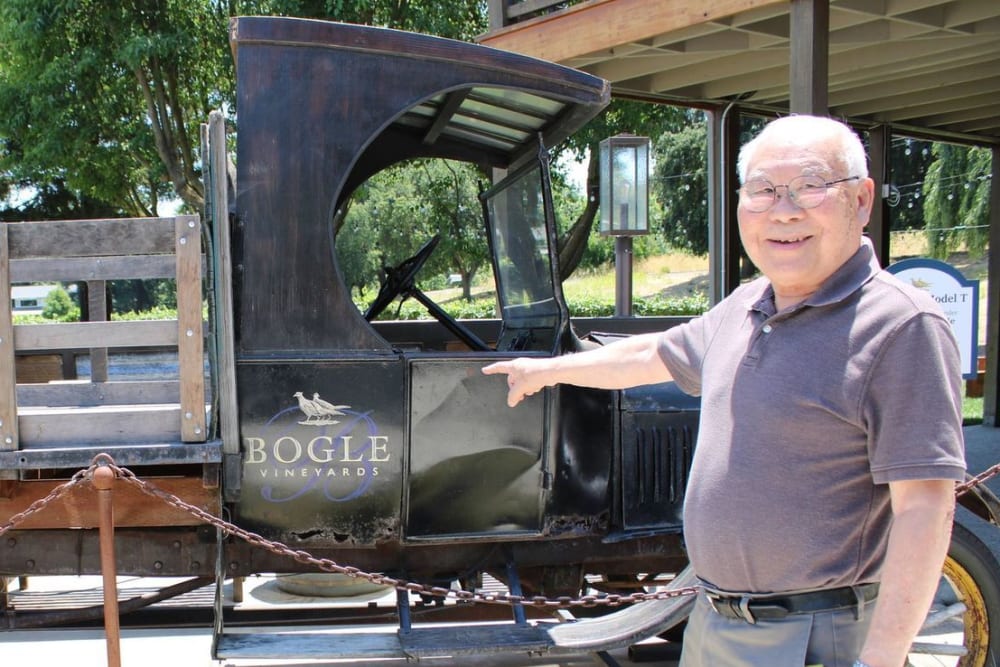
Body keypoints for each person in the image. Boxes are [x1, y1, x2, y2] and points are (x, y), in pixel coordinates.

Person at [483, 114, 966, 667]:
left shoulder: (902, 326)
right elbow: (653, 354)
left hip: (812, 632)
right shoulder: (748, 303)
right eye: (762, 190)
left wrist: (880, 659)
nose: (784, 210)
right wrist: (547, 371)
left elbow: (924, 506)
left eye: (810, 187)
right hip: (714, 621)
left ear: (860, 200)